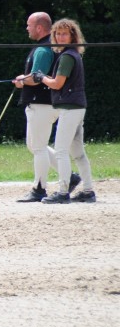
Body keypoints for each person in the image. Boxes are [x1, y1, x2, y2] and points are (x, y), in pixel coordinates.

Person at [12, 12, 78, 202]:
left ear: (39, 27)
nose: (27, 28)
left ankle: (39, 188)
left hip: (40, 103)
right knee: (34, 145)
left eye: (29, 25)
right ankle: (70, 177)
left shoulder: (42, 49)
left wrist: (21, 81)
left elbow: (35, 77)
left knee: (38, 147)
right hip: (47, 103)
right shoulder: (52, 47)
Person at [35, 18, 96, 204]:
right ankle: (88, 190)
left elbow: (57, 83)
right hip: (77, 107)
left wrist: (41, 77)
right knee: (78, 153)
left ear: (72, 36)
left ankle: (62, 192)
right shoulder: (73, 54)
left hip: (70, 108)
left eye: (64, 34)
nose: (60, 37)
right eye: (57, 34)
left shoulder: (68, 56)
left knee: (60, 150)